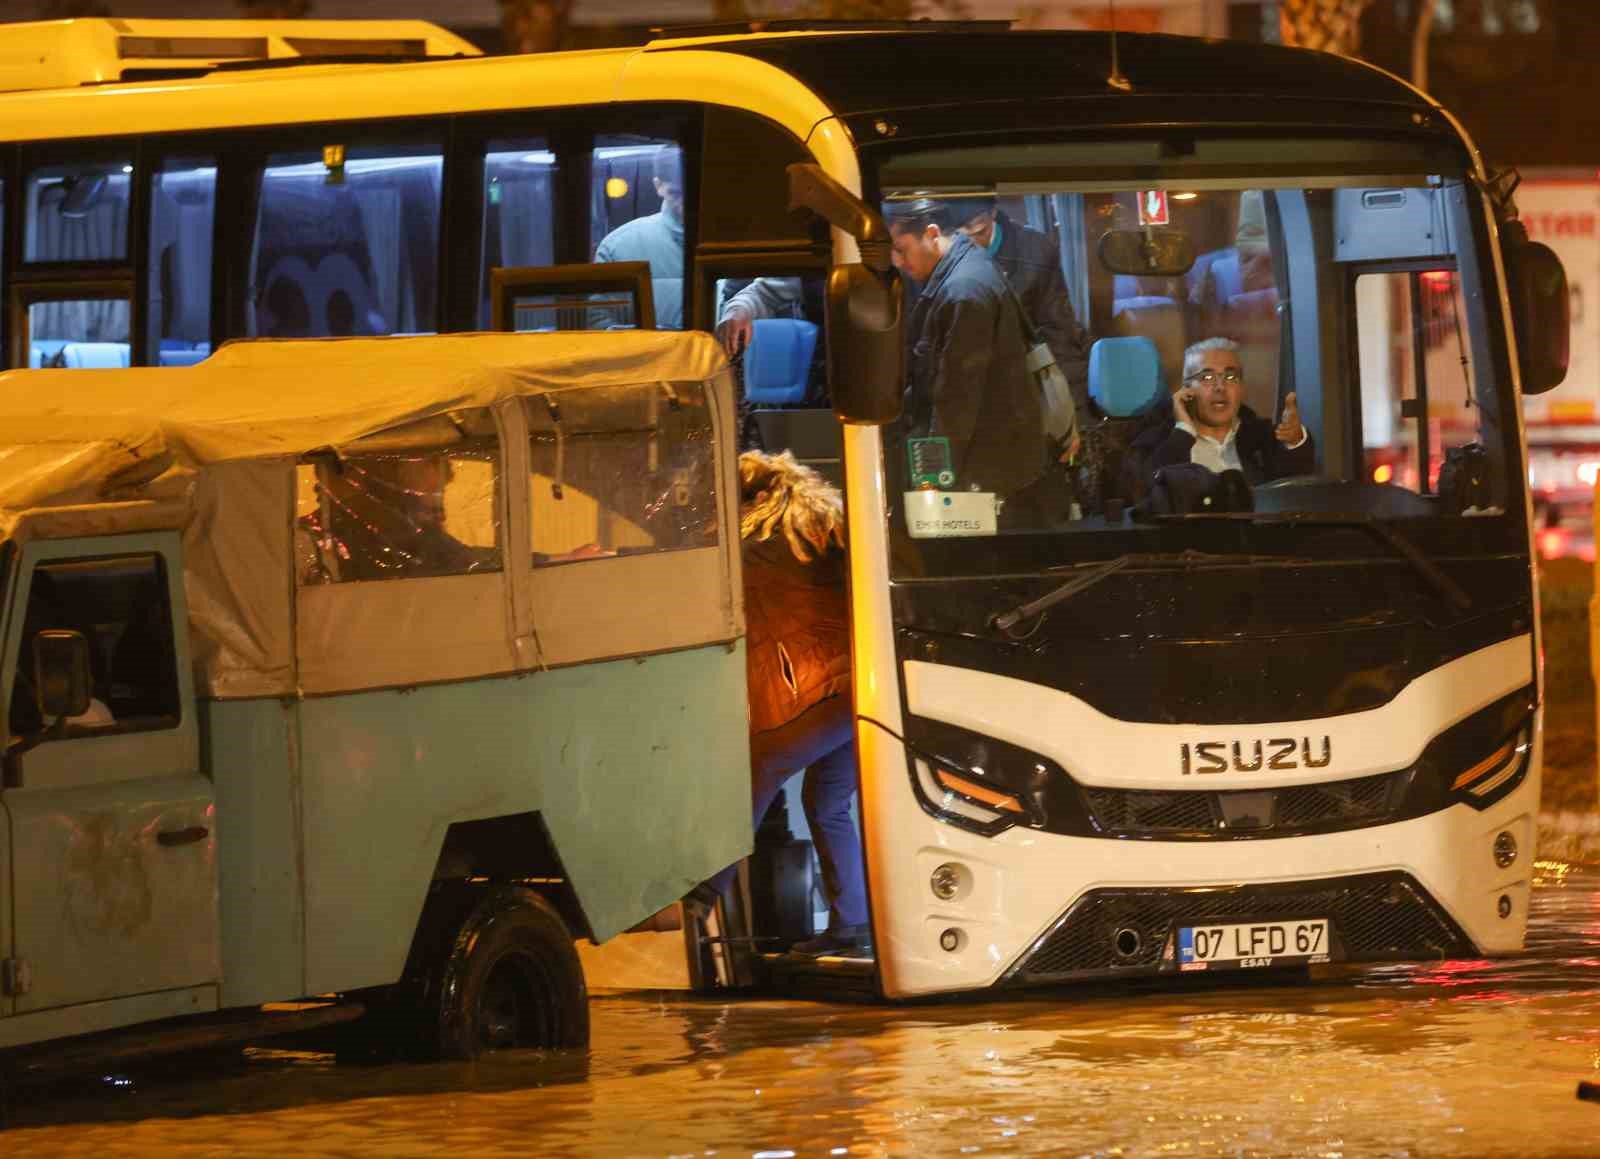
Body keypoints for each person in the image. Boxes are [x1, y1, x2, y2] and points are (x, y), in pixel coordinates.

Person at [698, 449, 869, 957]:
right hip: (859, 691)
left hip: (815, 696)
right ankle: (852, 926)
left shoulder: (761, 544)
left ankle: (692, 906)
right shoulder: (824, 527)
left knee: (753, 779)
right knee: (828, 803)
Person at [890, 197, 1070, 526]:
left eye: (901, 249)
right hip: (996, 461)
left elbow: (954, 404)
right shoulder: (967, 263)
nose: (897, 261)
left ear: (931, 234)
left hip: (982, 470)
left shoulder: (964, 292)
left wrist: (929, 483)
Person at [954, 197, 1092, 413]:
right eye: (959, 236)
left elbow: (1059, 334)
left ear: (992, 213)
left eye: (979, 232)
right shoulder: (935, 255)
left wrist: (1069, 410)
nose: (970, 244)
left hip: (1025, 384)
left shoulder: (1035, 251)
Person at [1134, 337, 1313, 484]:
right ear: (1186, 389)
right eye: (1207, 377)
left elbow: (1296, 492)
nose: (1220, 386)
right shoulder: (1156, 441)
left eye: (1230, 376)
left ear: (1241, 388)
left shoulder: (1264, 437)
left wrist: (1295, 441)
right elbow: (1144, 492)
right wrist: (1183, 433)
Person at [593, 145, 685, 329]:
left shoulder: (618, 246)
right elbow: (598, 324)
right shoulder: (617, 248)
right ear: (658, 186)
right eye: (676, 193)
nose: (686, 204)